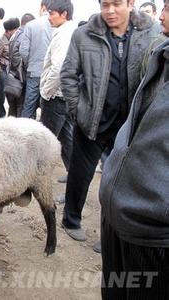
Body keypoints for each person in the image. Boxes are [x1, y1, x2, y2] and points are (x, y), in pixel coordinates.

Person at [60, 0, 159, 242]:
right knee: (79, 175)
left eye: (116, 4)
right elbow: (68, 75)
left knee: (122, 183)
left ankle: (112, 234)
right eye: (105, 5)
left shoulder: (151, 32)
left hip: (129, 126)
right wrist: (78, 111)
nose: (110, 11)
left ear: (130, 3)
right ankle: (71, 220)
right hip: (92, 121)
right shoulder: (84, 35)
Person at [99, 2, 169, 297]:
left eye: (168, 7)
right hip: (119, 215)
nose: (163, 15)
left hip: (153, 232)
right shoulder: (161, 55)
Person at [39, 0, 76, 193]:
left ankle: (40, 185)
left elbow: (58, 68)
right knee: (66, 138)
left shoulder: (64, 34)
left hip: (56, 96)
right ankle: (73, 176)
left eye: (52, 13)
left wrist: (46, 92)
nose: (49, 17)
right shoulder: (67, 31)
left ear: (64, 14)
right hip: (63, 96)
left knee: (47, 142)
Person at [20, 0, 53, 120]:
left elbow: (23, 51)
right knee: (49, 109)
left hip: (34, 72)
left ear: (43, 7)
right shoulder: (59, 25)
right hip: (51, 74)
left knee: (29, 107)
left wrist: (30, 63)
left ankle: (24, 135)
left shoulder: (31, 25)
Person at [5, 13, 35, 117]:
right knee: (20, 108)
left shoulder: (15, 34)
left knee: (13, 109)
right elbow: (22, 55)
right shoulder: (24, 34)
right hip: (21, 78)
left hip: (13, 77)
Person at [0, 18, 20, 119]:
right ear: (8, 31)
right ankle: (0, 117)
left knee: (12, 96)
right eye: (15, 30)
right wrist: (0, 72)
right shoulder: (0, 41)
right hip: (3, 72)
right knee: (0, 98)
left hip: (11, 73)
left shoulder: (14, 41)